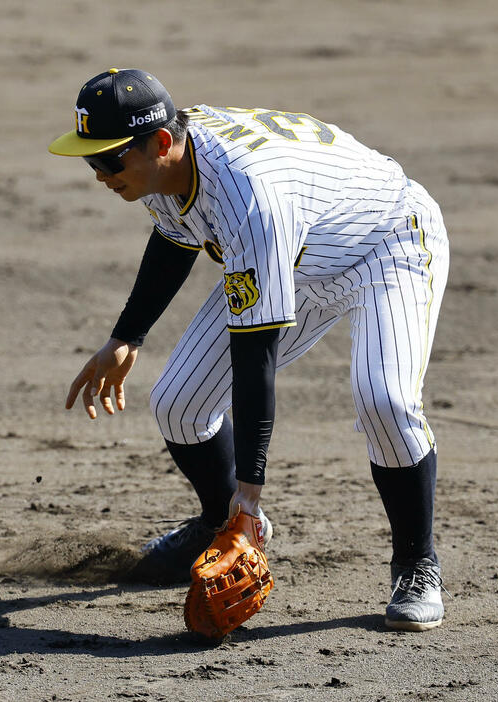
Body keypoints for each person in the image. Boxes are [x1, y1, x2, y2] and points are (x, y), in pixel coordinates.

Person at [48, 68, 449, 632]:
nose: (99, 174)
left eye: (108, 160)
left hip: (386, 247)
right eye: (90, 161)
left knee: (383, 399)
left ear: (160, 142)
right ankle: (216, 523)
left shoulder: (248, 197)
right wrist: (126, 337)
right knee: (178, 404)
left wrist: (251, 497)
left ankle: (416, 564)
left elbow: (253, 358)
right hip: (299, 255)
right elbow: (175, 233)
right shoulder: (167, 166)